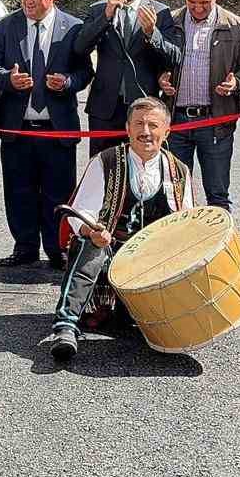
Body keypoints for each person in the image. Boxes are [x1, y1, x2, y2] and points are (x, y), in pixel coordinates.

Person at [42, 97, 195, 362]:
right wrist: (92, 231)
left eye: (153, 125)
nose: (145, 132)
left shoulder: (179, 171)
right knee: (90, 245)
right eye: (139, 124)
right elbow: (80, 213)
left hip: (151, 265)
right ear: (127, 128)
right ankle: (66, 326)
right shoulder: (105, 161)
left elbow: (187, 226)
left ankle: (145, 315)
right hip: (110, 256)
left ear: (167, 131)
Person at [0, 0, 93, 269]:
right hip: (17, 128)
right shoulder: (5, 27)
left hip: (57, 130)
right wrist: (8, 80)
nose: (28, 1)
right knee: (18, 190)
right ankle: (25, 247)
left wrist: (68, 82)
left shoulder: (73, 28)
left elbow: (85, 71)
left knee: (59, 193)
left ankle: (58, 249)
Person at [157, 0, 240, 211]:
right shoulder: (169, 22)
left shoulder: (236, 26)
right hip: (175, 122)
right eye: (192, 2)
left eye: (205, 2)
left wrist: (236, 83)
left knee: (218, 195)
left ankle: (218, 237)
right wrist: (160, 80)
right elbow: (153, 61)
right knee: (174, 195)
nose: (198, 8)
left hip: (215, 122)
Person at [73, 0, 175, 157]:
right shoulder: (98, 10)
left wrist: (152, 33)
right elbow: (80, 48)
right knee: (103, 167)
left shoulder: (160, 12)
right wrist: (106, 16)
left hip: (144, 108)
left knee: (142, 166)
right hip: (104, 109)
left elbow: (174, 57)